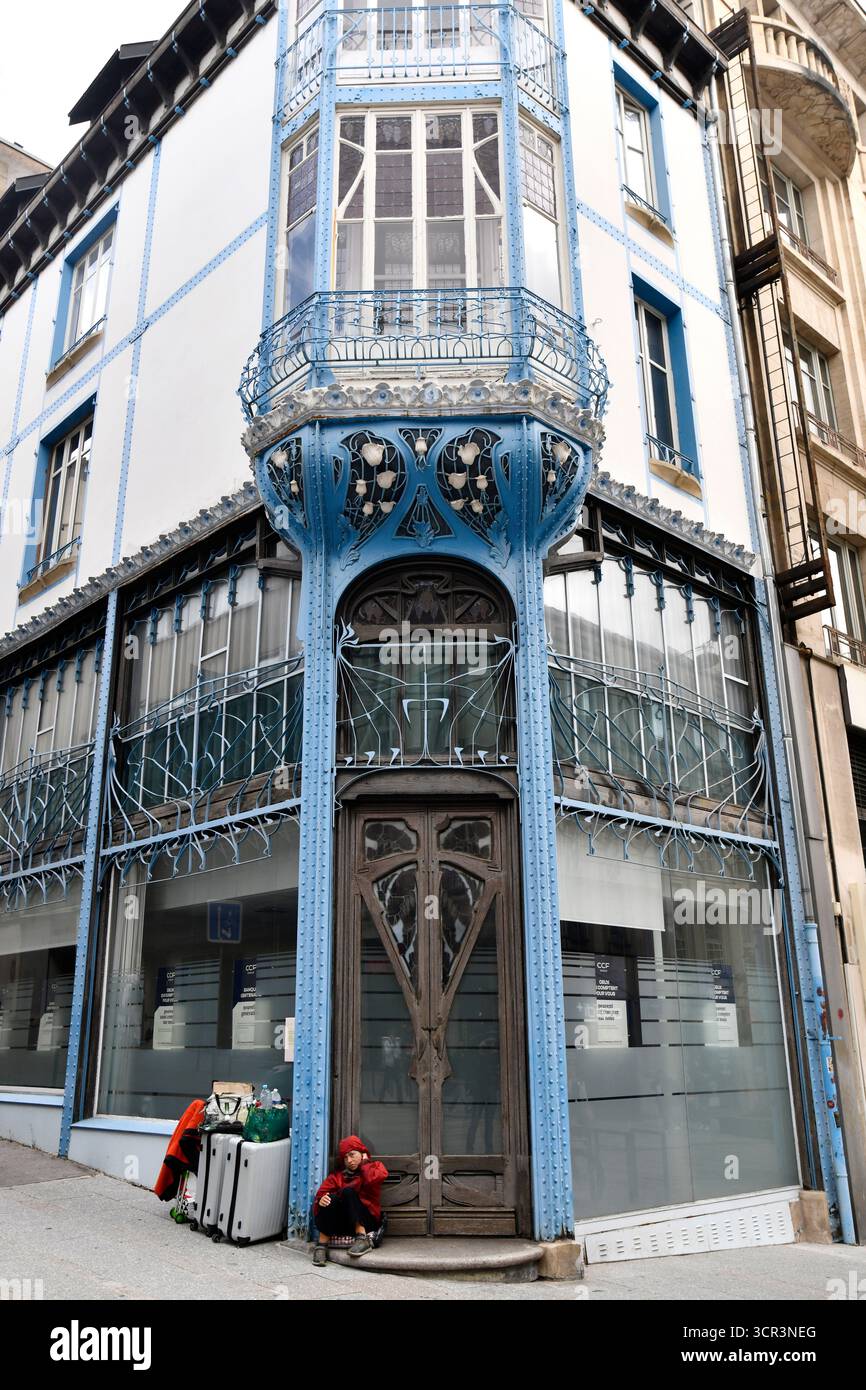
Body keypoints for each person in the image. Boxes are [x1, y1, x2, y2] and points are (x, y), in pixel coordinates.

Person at [312, 1135, 388, 1266]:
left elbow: (373, 1179)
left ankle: (362, 1239)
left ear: (362, 1153)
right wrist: (321, 1200)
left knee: (348, 1191)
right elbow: (321, 1194)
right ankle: (322, 1245)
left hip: (367, 1221)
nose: (349, 1160)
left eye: (352, 1155)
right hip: (345, 1223)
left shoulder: (375, 1167)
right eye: (345, 1157)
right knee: (329, 1198)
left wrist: (364, 1163)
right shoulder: (337, 1176)